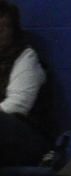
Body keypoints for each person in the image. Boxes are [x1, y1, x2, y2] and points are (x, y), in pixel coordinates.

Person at [0, 1, 51, 167]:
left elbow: (17, 107)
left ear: (14, 31)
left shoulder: (26, 58)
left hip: (28, 140)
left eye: (4, 27)